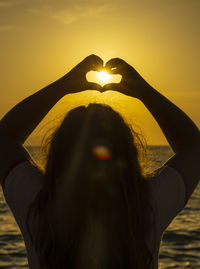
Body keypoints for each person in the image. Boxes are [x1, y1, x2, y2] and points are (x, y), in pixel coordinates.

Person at [0, 54, 199, 269]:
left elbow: (4, 139)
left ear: (60, 153)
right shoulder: (146, 208)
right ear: (127, 154)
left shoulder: (37, 204)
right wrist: (144, 91)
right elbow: (194, 147)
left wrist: (62, 86)